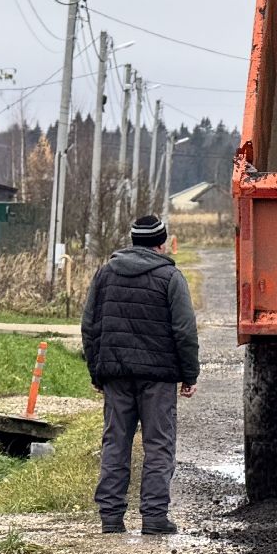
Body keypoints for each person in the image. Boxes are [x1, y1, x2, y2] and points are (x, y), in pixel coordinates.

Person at [82, 215, 199, 535]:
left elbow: (89, 326)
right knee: (159, 444)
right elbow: (184, 330)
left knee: (115, 442)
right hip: (158, 377)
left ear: (134, 241)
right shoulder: (170, 277)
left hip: (116, 373)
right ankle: (154, 517)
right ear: (161, 243)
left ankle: (110, 518)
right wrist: (189, 375)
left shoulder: (105, 274)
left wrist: (97, 371)